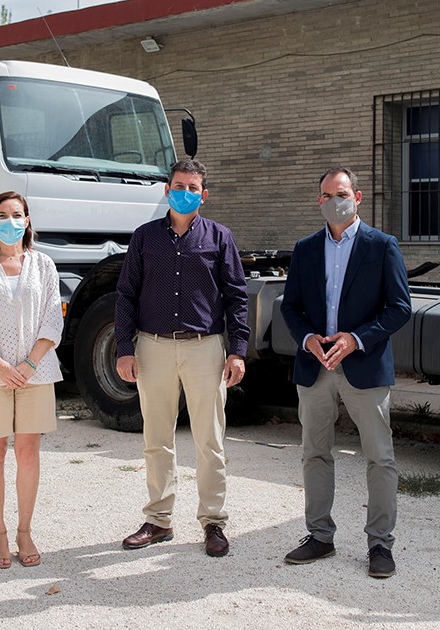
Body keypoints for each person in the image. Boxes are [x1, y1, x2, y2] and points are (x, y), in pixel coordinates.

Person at [279, 166, 412, 579]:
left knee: (379, 457)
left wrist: (356, 338)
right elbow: (291, 307)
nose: (333, 201)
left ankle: (379, 545)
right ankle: (319, 536)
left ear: (357, 197)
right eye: (325, 195)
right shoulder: (305, 248)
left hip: (364, 367)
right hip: (315, 367)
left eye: (340, 193)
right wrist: (307, 340)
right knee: (315, 453)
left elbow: (399, 307)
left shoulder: (382, 246)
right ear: (319, 201)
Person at [114, 159, 250, 558]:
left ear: (203, 195)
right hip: (152, 346)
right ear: (166, 189)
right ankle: (158, 520)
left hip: (204, 348)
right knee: (157, 438)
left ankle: (213, 521)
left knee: (210, 439)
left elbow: (236, 298)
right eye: (179, 185)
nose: (185, 192)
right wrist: (124, 348)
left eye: (193, 187)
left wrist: (238, 350)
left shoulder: (220, 238)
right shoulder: (144, 238)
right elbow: (125, 295)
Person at [0, 191, 64, 570]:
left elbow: (54, 318)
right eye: (2, 215)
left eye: (16, 214)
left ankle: (24, 531)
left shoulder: (44, 265)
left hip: (36, 373)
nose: (10, 221)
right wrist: (0, 365)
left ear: (28, 220)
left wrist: (30, 364)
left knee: (28, 450)